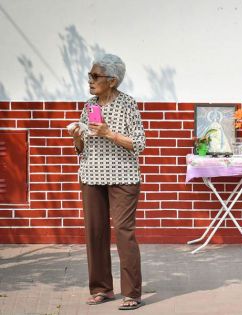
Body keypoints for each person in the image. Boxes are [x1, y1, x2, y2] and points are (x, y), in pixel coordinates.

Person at [68, 54, 146, 310]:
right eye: (90, 75)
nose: (90, 80)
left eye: (95, 76)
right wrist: (77, 136)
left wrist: (109, 133)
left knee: (124, 233)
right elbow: (82, 148)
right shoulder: (90, 105)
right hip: (91, 175)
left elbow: (139, 144)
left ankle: (132, 292)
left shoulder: (127, 104)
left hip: (123, 176)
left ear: (112, 81)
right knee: (95, 233)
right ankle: (102, 288)